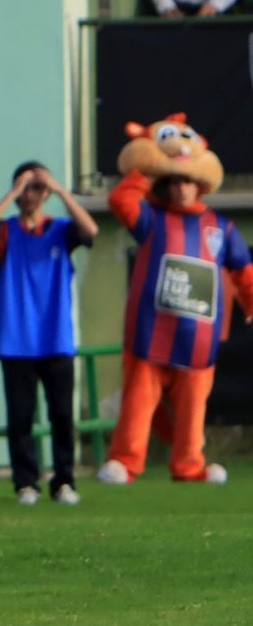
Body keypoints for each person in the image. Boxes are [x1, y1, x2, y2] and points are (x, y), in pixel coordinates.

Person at [98, 114, 253, 484]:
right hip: (151, 330)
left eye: (187, 180)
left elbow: (243, 269)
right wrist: (147, 167)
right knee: (138, 402)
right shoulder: (151, 218)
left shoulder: (219, 227)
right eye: (174, 181)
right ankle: (125, 461)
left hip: (198, 336)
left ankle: (188, 465)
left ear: (198, 184)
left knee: (193, 406)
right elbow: (121, 200)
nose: (181, 188)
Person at [0, 162, 98, 505]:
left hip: (56, 339)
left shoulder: (60, 230)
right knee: (21, 418)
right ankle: (26, 483)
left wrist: (59, 189)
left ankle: (64, 482)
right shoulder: (5, 232)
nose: (30, 194)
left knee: (61, 416)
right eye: (24, 188)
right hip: (17, 342)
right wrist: (11, 192)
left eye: (35, 187)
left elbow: (91, 231)